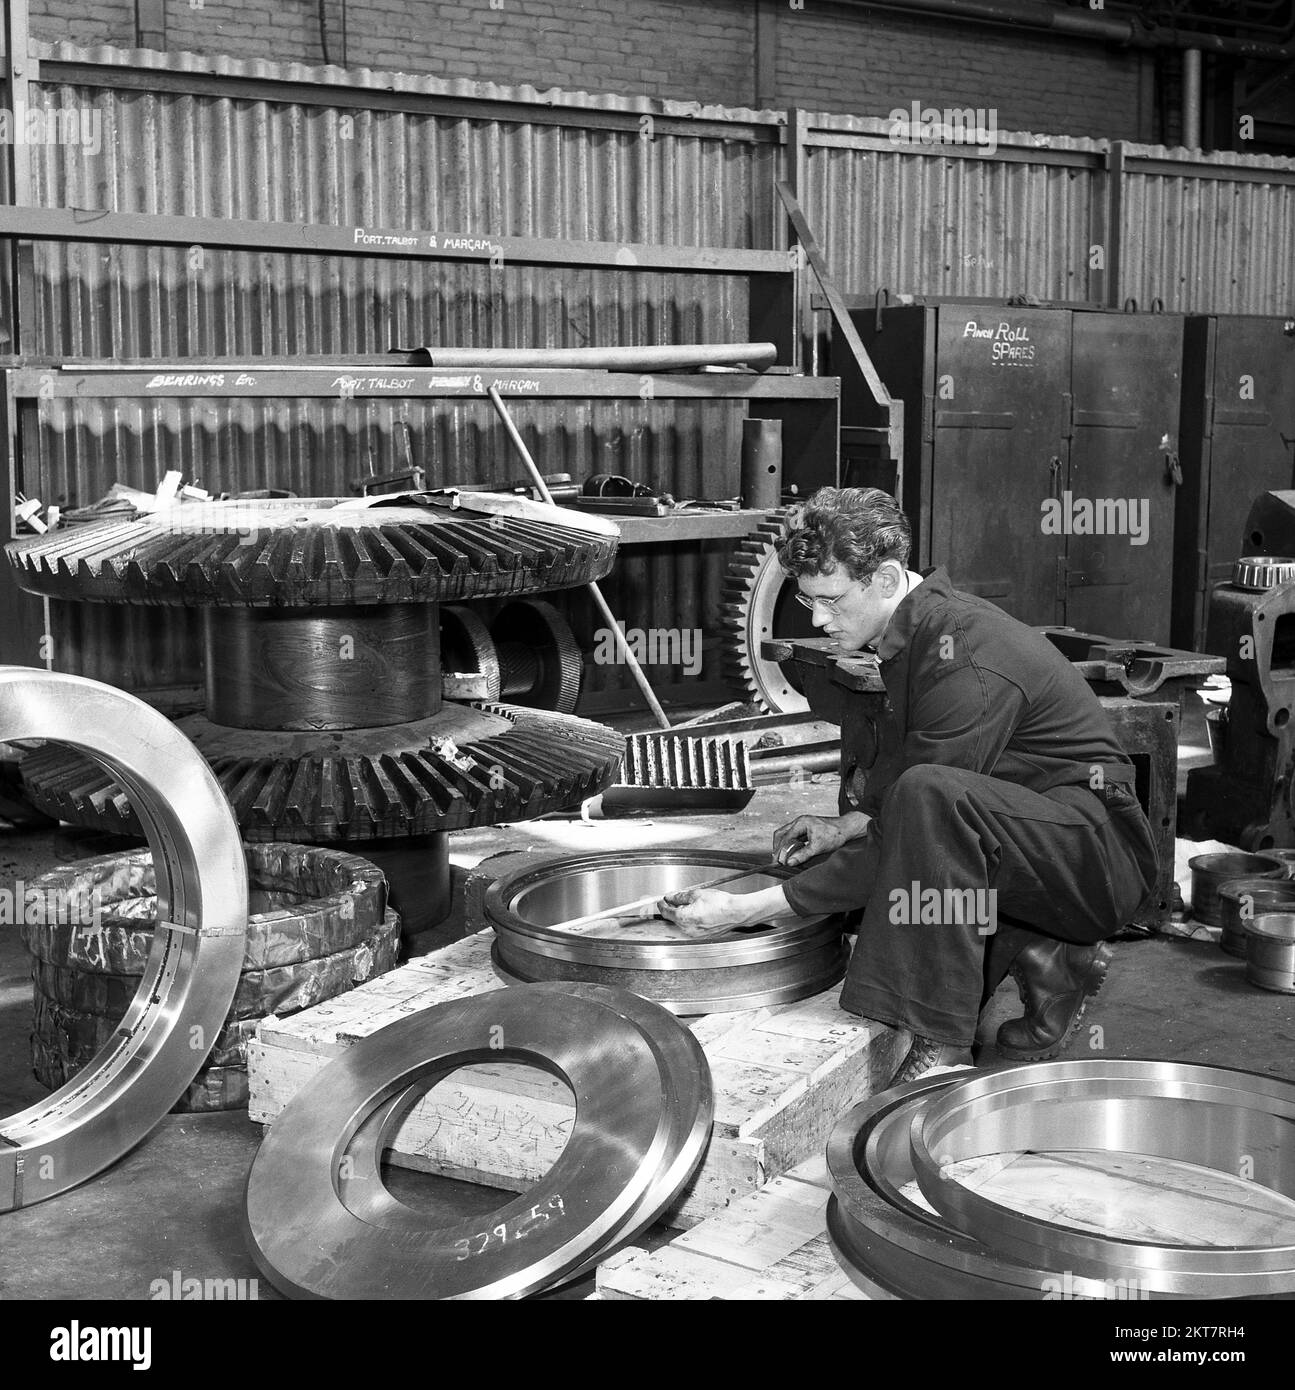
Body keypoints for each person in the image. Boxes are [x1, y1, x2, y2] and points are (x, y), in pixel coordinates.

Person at [658, 486, 1159, 1086]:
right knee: (918, 811)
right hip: (1043, 841)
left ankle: (941, 1048)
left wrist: (749, 909)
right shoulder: (923, 631)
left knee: (928, 804)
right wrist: (844, 825)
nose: (817, 620)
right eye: (806, 601)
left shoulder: (964, 652)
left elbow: (925, 810)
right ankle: (1048, 955)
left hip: (1100, 858)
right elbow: (919, 764)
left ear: (888, 577)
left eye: (831, 601)